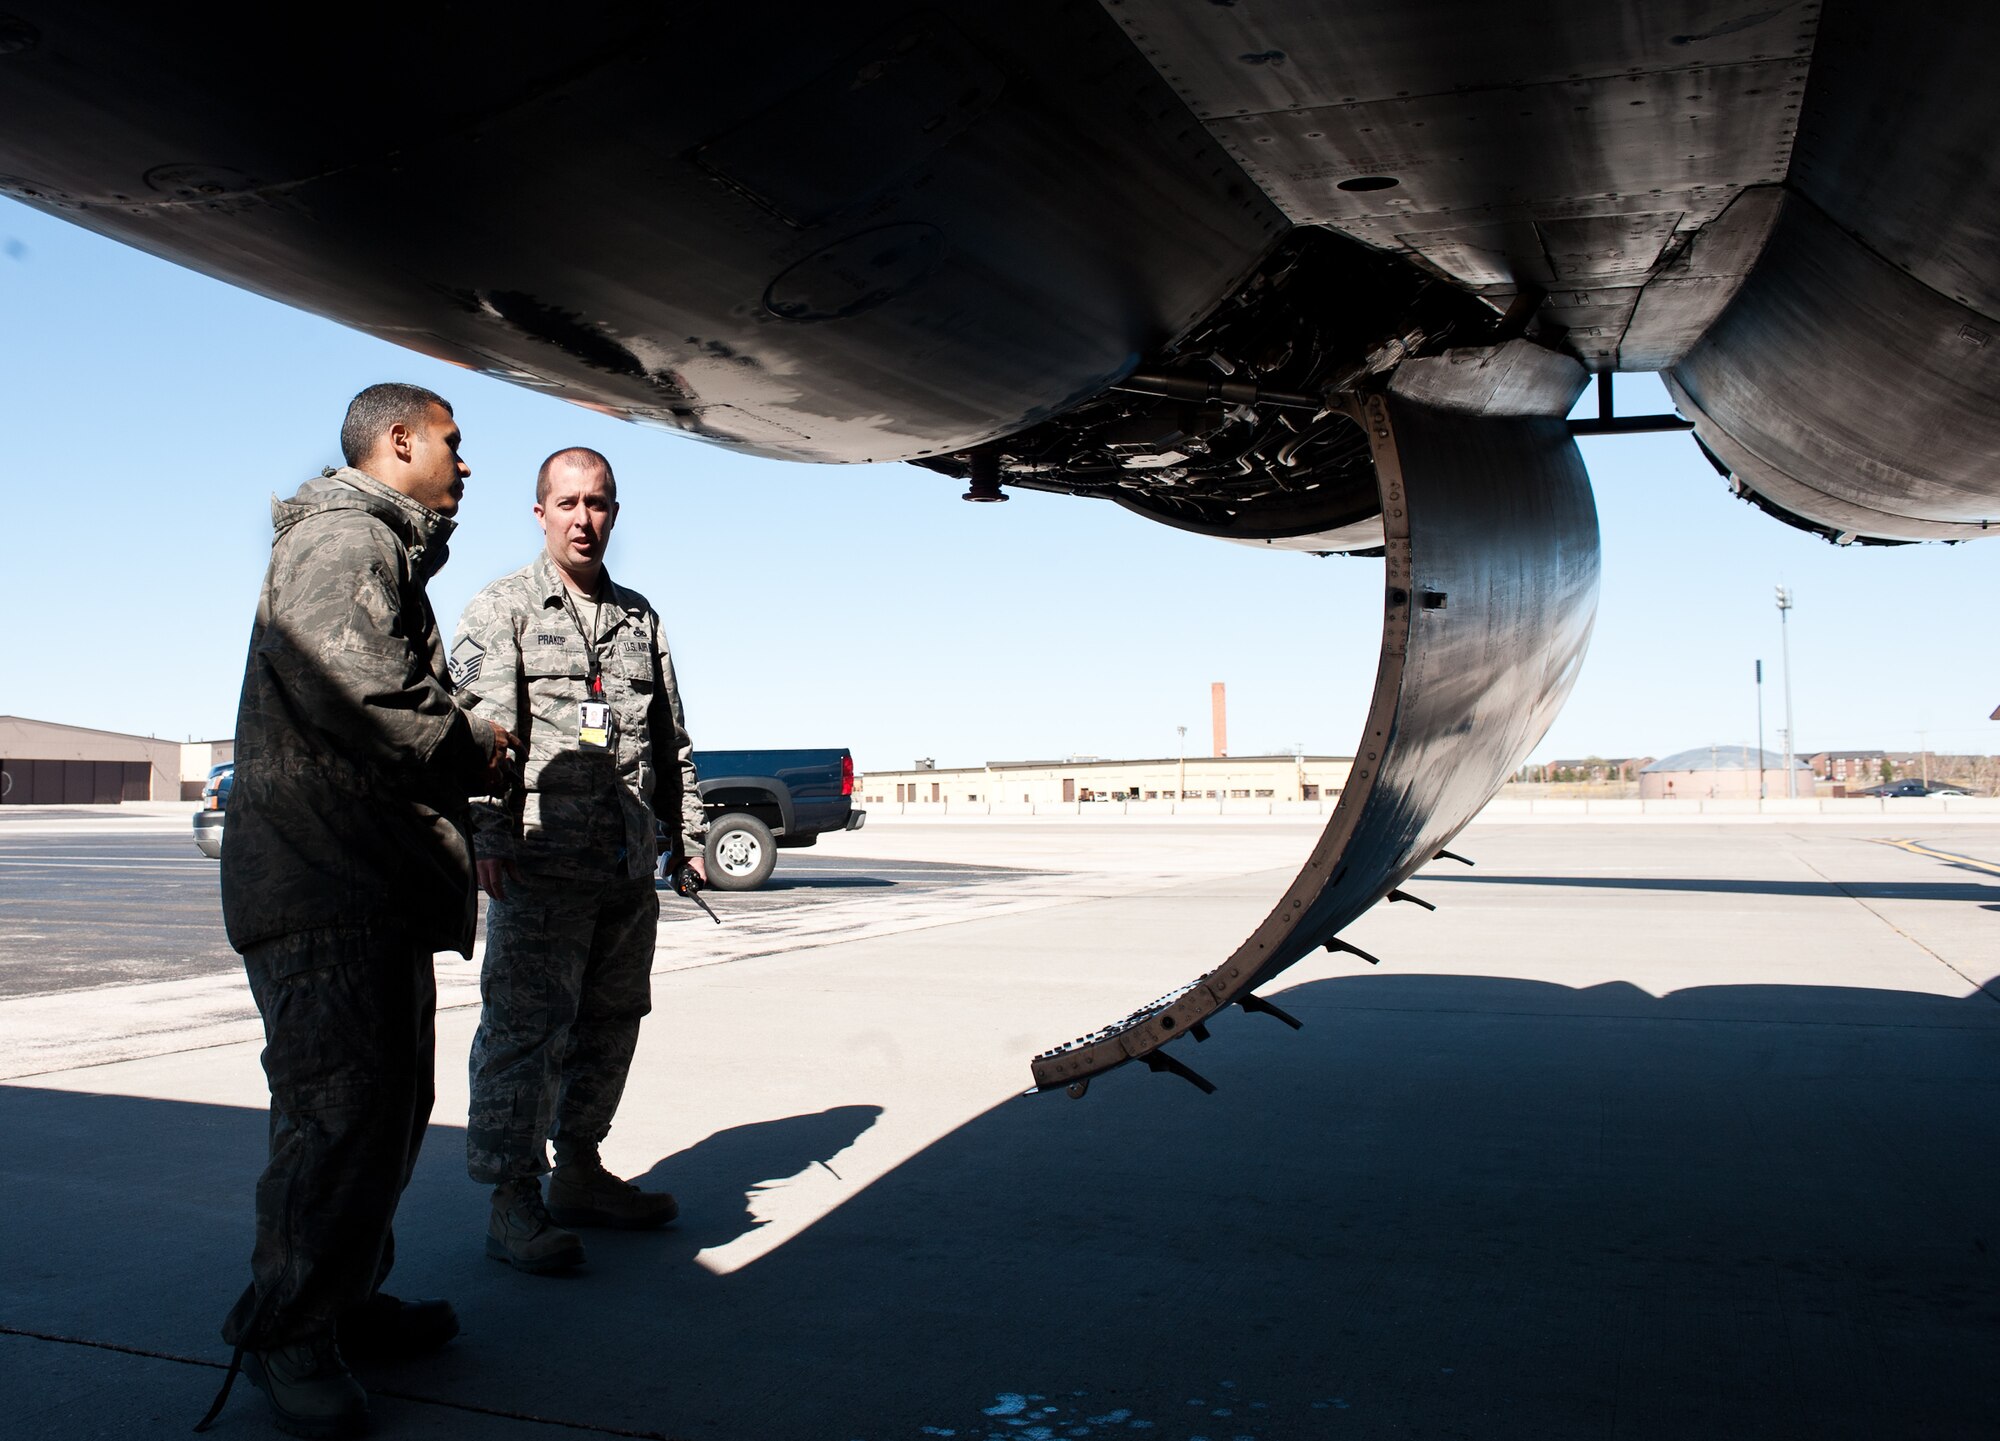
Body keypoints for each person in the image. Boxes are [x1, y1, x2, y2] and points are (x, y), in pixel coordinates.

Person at [198, 384, 518, 1440]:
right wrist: (474, 738)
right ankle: (288, 1332)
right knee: (338, 1121)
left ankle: (343, 1302)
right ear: (398, 443)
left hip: (364, 884)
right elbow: (364, 693)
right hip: (324, 885)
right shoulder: (344, 539)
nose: (464, 466)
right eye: (451, 445)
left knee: (383, 1113)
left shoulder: (379, 546)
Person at [451, 445, 705, 1273]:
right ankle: (512, 1198)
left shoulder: (641, 620)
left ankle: (582, 1169)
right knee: (525, 1034)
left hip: (624, 870)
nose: (583, 518)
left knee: (610, 1023)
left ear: (614, 513)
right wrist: (486, 834)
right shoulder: (504, 609)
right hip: (537, 869)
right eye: (567, 503)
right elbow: (480, 738)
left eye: (597, 503)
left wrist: (687, 833)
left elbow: (673, 741)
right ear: (539, 514)